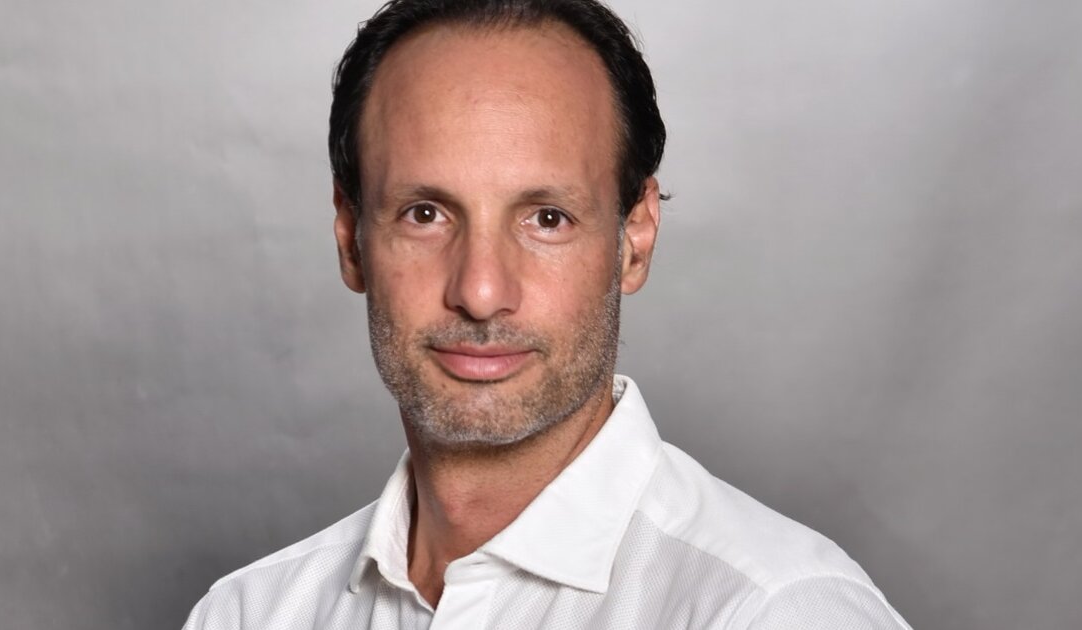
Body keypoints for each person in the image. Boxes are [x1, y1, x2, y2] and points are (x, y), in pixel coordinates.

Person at [183, 0, 911, 627]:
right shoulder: (248, 614)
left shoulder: (776, 612)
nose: (480, 292)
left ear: (634, 240)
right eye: (425, 213)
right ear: (351, 239)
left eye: (547, 219)